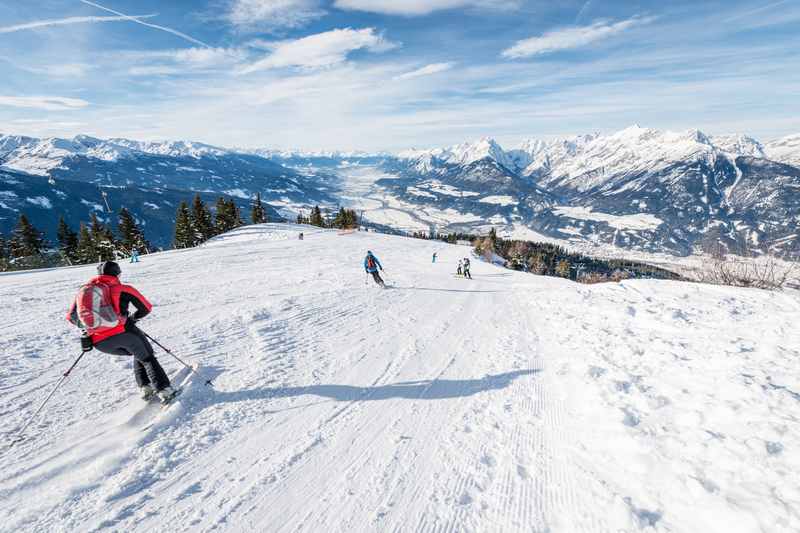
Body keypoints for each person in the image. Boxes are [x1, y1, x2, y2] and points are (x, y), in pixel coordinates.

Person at [66, 261, 177, 403]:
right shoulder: (123, 288)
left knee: (138, 353)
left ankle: (146, 388)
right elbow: (146, 308)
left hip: (99, 342)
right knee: (147, 357)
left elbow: (71, 316)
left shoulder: (85, 291)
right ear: (117, 273)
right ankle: (165, 390)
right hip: (125, 334)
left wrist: (93, 326)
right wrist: (131, 319)